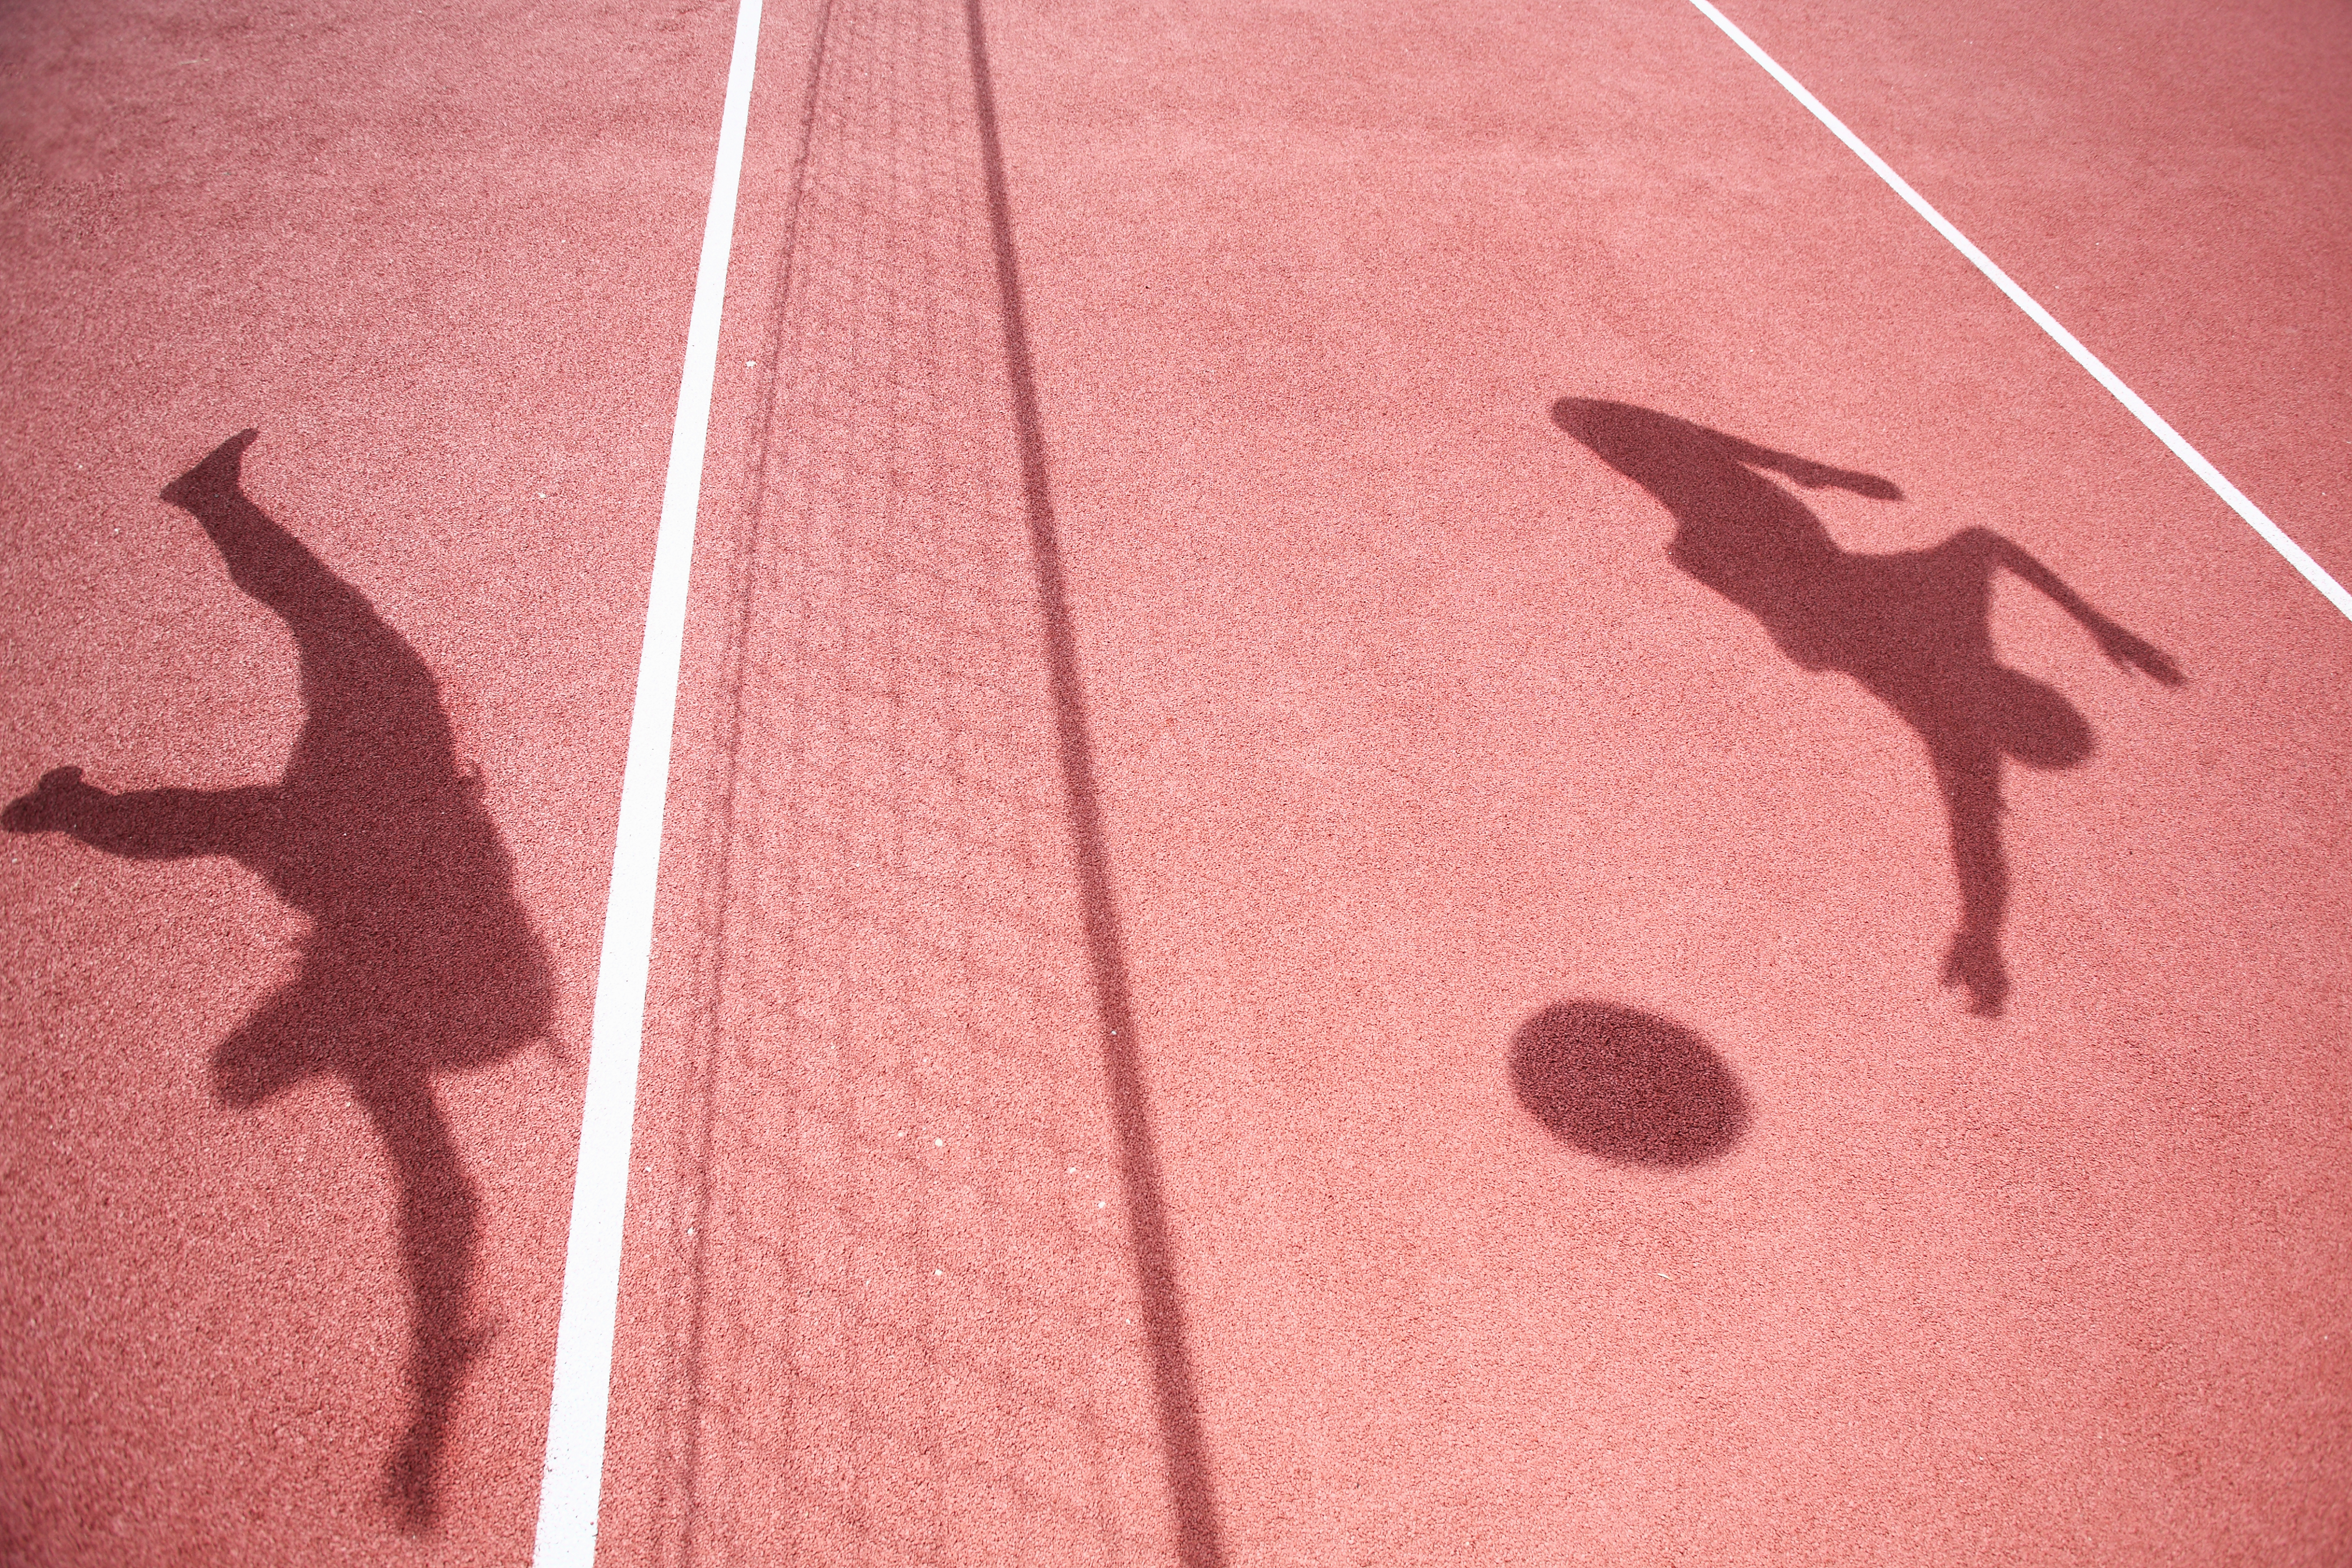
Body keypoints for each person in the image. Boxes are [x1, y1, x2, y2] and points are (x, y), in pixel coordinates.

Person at [5, 429, 554, 1529]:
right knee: (264, 761)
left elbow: (440, 1194)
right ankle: (74, 797)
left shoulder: (364, 1014)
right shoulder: (362, 1018)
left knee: (304, 672)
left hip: (378, 813)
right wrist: (431, 1418)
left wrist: (433, 1415)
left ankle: (206, 515)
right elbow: (438, 1194)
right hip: (374, 836)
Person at [1552, 398, 2183, 1015]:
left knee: (1618, 436)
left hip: (1772, 563)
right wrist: (2103, 626)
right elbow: (1978, 845)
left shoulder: (1960, 700)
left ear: (2029, 697)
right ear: (2022, 705)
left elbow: (1978, 847)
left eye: (2021, 706)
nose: (2008, 698)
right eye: (2021, 705)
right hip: (1776, 558)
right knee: (1600, 425)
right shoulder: (1960, 679)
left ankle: (1761, 486)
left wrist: (2101, 626)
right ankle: (1759, 484)